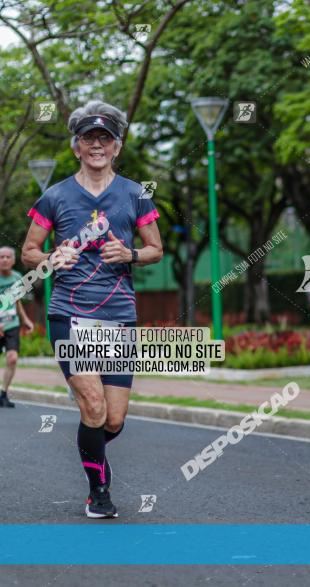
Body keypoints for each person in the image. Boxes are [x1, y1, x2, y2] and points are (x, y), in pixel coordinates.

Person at [21, 100, 163, 518]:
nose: (97, 145)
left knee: (113, 420)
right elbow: (30, 251)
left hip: (119, 314)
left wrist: (131, 254)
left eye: (105, 138)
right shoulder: (55, 196)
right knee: (94, 408)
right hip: (70, 314)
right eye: (89, 138)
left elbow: (156, 249)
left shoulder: (136, 193)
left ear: (117, 147)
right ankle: (98, 491)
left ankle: (93, 449)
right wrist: (50, 260)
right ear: (76, 147)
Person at [0, 247, 35, 407]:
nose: (5, 260)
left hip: (11, 323)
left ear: (13, 260)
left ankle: (4, 393)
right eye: (2, 257)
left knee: (12, 358)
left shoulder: (18, 278)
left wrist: (26, 320)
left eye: (8, 257)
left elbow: (17, 301)